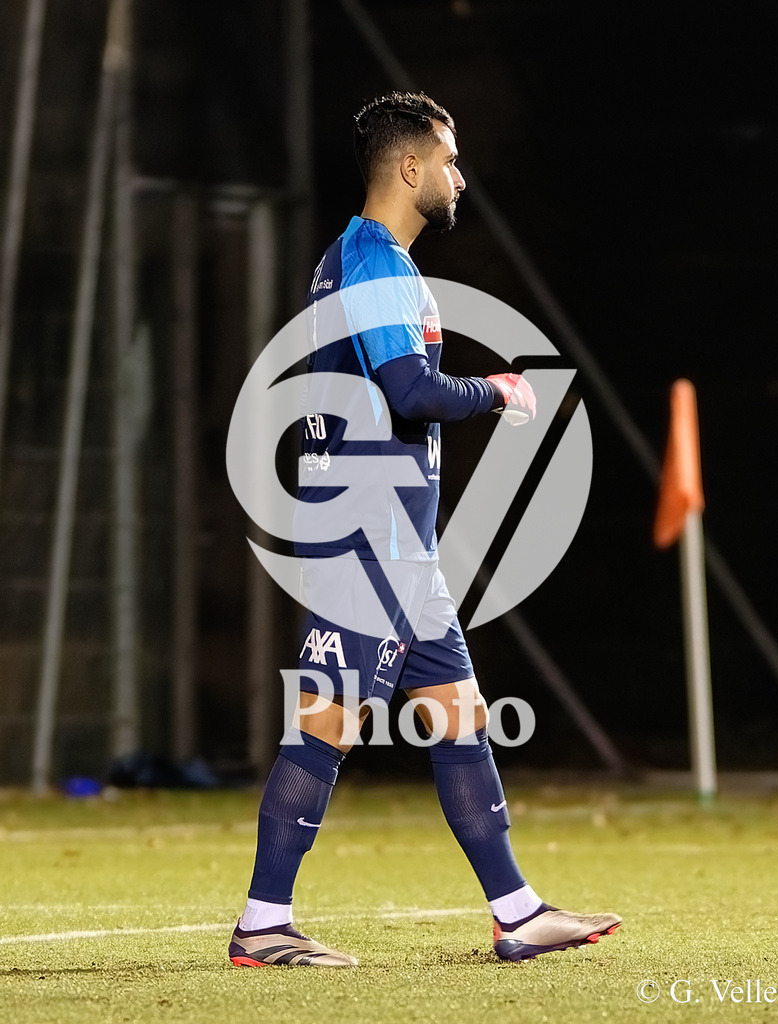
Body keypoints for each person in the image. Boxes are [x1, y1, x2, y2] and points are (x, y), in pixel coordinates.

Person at [229, 91, 621, 968]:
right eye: (447, 160)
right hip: (364, 541)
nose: (458, 176)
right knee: (323, 726)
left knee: (458, 718)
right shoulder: (370, 262)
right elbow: (410, 394)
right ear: (409, 169)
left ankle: (516, 912)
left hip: (399, 547)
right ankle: (261, 924)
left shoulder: (367, 262)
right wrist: (502, 390)